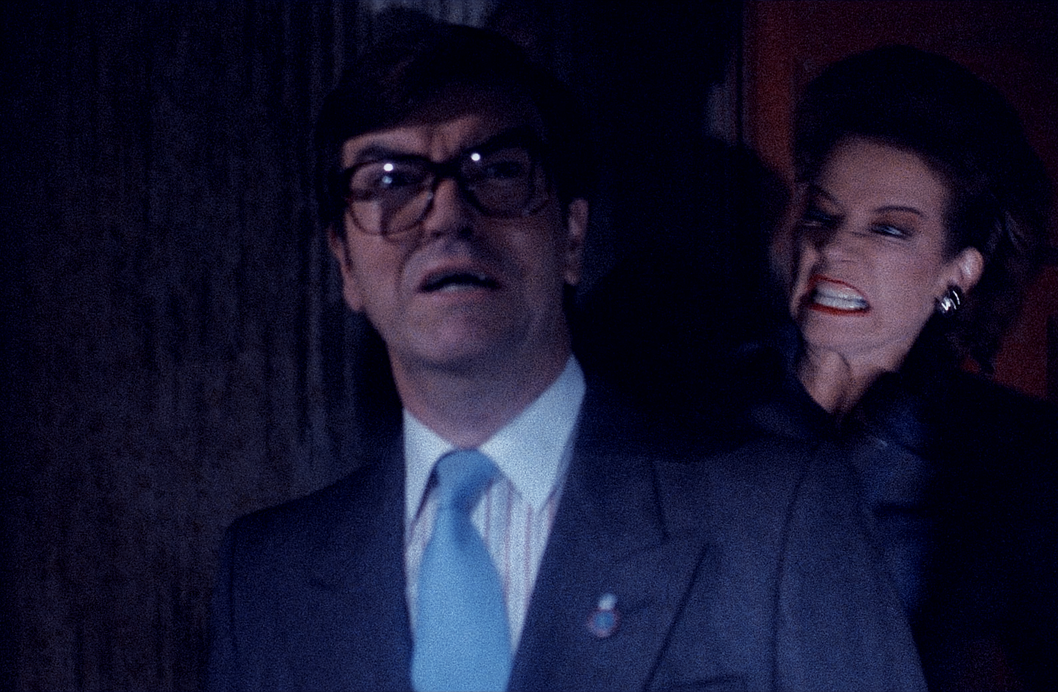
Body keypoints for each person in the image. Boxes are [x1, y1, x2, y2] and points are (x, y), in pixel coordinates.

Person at [207, 25, 926, 692]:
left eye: (497, 172)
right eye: (392, 182)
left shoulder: (777, 517)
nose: (447, 216)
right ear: (345, 263)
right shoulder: (267, 577)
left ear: (572, 237)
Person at [739, 45, 1058, 691]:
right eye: (823, 216)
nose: (833, 247)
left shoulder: (1016, 465)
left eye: (889, 229)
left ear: (958, 273)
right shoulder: (689, 399)